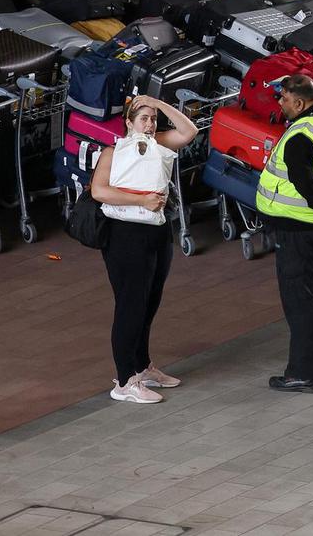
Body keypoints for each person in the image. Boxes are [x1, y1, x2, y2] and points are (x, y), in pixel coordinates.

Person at [89, 95, 199, 404]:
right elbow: (99, 191)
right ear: (129, 123)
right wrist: (141, 200)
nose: (149, 124)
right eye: (143, 118)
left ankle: (142, 364)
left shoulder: (160, 143)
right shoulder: (113, 152)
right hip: (125, 234)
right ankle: (125, 381)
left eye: (152, 119)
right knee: (130, 305)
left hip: (157, 231)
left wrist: (157, 103)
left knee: (150, 302)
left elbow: (189, 131)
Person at [256, 75, 313, 394]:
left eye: (283, 99)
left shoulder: (300, 136)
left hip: (299, 228)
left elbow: (305, 182)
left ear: (299, 102)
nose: (279, 103)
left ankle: (303, 374)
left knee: (300, 304)